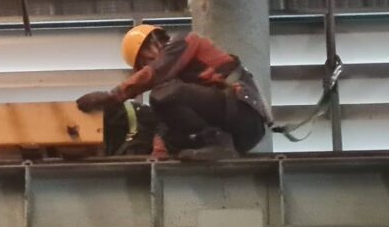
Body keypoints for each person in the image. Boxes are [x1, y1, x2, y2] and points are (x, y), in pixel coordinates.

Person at [76, 24, 270, 161]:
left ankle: (217, 142)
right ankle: (216, 143)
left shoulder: (184, 42)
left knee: (162, 94)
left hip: (243, 113)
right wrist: (157, 157)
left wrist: (113, 96)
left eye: (145, 60)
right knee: (164, 102)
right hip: (239, 135)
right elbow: (165, 126)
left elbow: (158, 69)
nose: (146, 66)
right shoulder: (181, 88)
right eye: (141, 65)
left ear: (154, 42)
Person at [58, 99, 157, 227]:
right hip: (134, 197)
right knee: (102, 214)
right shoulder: (126, 119)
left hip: (139, 196)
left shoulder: (131, 122)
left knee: (103, 211)